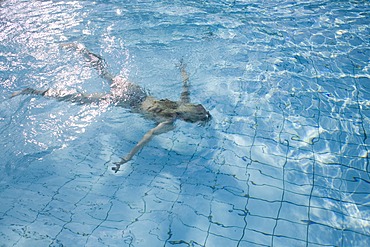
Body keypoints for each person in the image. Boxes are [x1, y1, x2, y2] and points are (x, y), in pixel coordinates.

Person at [12, 43, 211, 172]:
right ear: (188, 119)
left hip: (135, 91)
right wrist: (127, 158)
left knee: (104, 72)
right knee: (79, 99)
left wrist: (183, 69)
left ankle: (80, 49)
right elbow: (147, 137)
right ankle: (32, 91)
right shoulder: (169, 122)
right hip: (126, 101)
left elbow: (186, 84)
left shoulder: (182, 102)